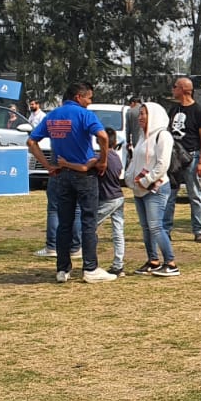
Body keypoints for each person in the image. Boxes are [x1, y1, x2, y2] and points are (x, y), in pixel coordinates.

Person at [27, 83, 115, 283]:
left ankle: (62, 269)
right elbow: (102, 136)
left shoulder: (52, 116)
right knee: (88, 222)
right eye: (89, 98)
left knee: (64, 223)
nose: (90, 102)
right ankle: (90, 268)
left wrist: (48, 165)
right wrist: (103, 160)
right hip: (84, 175)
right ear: (78, 97)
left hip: (61, 174)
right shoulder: (85, 115)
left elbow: (31, 142)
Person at [124, 101, 179, 276]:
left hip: (156, 188)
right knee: (146, 227)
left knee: (156, 226)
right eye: (139, 114)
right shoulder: (143, 136)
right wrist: (129, 178)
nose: (140, 117)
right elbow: (135, 160)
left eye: (143, 114)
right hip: (139, 189)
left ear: (153, 115)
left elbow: (162, 164)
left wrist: (147, 180)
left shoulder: (163, 136)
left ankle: (170, 263)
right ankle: (153, 260)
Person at [163, 77, 201, 243]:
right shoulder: (173, 109)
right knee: (170, 195)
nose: (172, 89)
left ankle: (199, 230)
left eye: (175, 87)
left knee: (195, 195)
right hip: (174, 157)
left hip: (192, 155)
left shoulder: (199, 111)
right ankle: (166, 229)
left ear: (183, 89)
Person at [95, 127, 128, 275]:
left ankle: (90, 261)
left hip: (107, 198)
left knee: (89, 228)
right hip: (119, 196)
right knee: (118, 232)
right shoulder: (116, 156)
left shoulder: (100, 158)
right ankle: (118, 264)